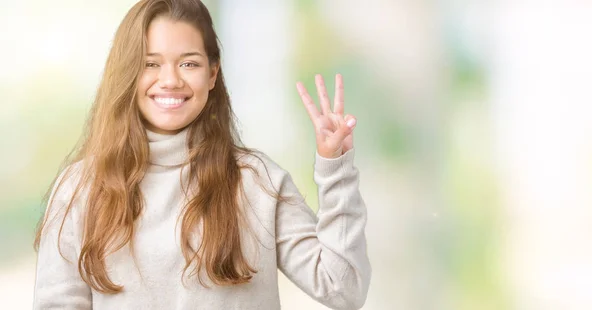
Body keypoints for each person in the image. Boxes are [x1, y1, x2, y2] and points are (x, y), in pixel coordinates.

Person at [32, 0, 371, 309]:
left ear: (212, 73)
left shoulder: (257, 182)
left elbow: (343, 289)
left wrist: (335, 167)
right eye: (150, 63)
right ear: (127, 72)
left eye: (189, 63)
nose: (170, 80)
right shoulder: (81, 187)